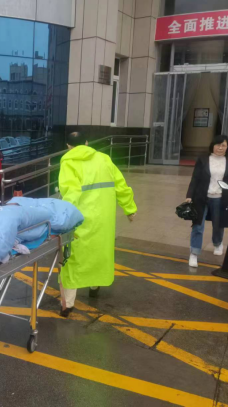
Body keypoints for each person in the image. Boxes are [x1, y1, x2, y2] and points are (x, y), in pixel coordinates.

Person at [58, 132, 137, 317]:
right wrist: (129, 208)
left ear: (68, 146)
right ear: (87, 142)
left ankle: (68, 305)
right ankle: (94, 287)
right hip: (103, 218)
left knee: (72, 258)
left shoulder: (68, 162)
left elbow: (71, 192)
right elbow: (120, 185)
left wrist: (63, 217)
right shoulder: (104, 159)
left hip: (80, 219)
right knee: (98, 253)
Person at [185, 135, 228, 268]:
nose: (220, 148)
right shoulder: (203, 159)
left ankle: (217, 243)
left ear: (227, 147)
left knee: (218, 225)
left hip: (220, 198)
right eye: (218, 145)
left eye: (223, 145)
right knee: (197, 226)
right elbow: (195, 178)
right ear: (212, 146)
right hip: (201, 197)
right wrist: (189, 195)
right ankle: (194, 253)